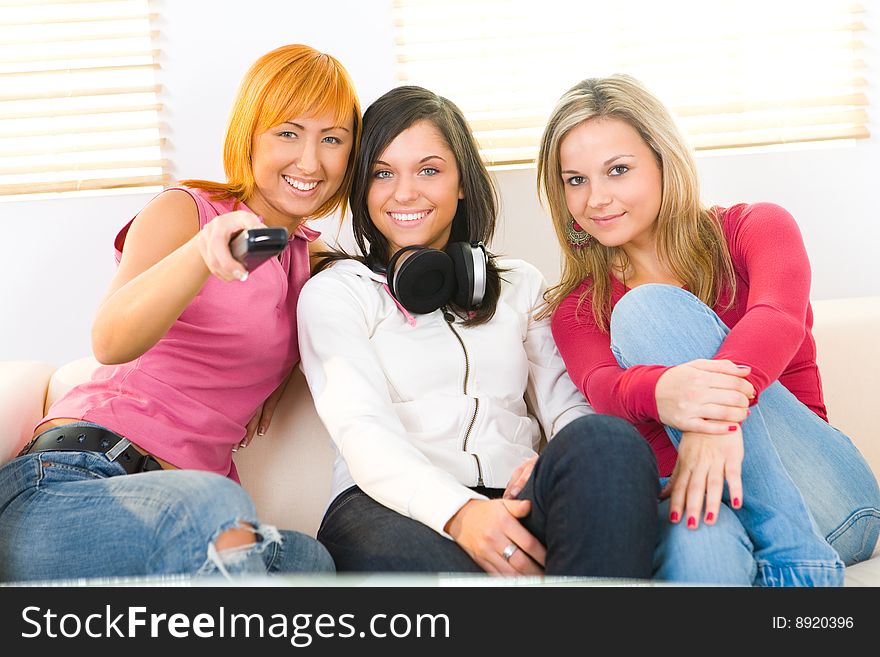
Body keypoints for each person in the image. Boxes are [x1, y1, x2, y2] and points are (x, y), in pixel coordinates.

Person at [0, 44, 361, 582]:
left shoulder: (310, 265)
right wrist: (200, 253)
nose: (310, 161)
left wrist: (282, 376)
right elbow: (110, 339)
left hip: (195, 522)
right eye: (289, 132)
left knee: (309, 562)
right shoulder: (187, 211)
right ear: (250, 135)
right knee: (212, 509)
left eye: (332, 139)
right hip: (73, 484)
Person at [297, 85, 659, 578]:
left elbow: (567, 405)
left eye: (429, 169)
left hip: (514, 496)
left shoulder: (519, 283)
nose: (405, 192)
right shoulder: (337, 293)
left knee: (608, 440)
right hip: (386, 506)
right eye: (383, 173)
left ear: (462, 181)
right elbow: (362, 429)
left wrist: (557, 465)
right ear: (363, 188)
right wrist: (461, 513)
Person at [536, 74, 880, 586]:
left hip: (826, 498)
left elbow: (776, 320)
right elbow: (604, 393)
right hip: (702, 500)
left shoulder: (755, 228)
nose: (596, 199)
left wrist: (704, 420)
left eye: (619, 170)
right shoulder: (577, 307)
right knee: (700, 554)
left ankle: (798, 564)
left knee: (647, 311)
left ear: (663, 161)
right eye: (576, 180)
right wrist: (663, 390)